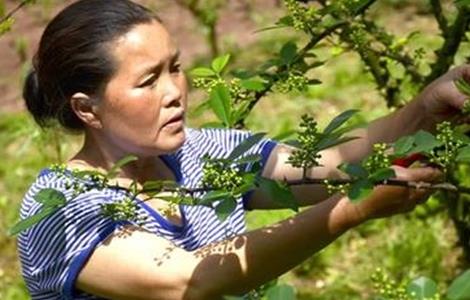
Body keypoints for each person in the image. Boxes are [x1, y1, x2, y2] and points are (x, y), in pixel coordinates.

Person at [17, 0, 468, 299]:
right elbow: (188, 282)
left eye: (175, 68)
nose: (175, 91)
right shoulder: (63, 209)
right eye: (149, 81)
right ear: (87, 108)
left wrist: (424, 110)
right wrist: (349, 212)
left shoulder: (202, 152)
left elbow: (332, 165)